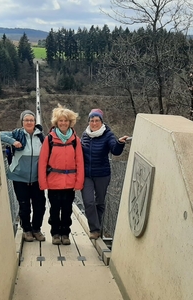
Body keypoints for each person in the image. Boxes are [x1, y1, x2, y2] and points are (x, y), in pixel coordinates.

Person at [38, 105, 84, 246]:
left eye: (66, 121)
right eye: (60, 121)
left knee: (67, 209)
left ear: (70, 122)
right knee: (54, 209)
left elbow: (80, 163)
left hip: (70, 182)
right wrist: (43, 182)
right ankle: (55, 233)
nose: (63, 123)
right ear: (56, 123)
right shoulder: (49, 140)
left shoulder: (76, 140)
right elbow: (43, 162)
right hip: (54, 182)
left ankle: (65, 233)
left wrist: (79, 182)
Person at [80, 108, 128, 240]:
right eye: (91, 120)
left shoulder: (108, 135)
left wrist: (119, 143)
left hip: (102, 174)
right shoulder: (85, 135)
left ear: (101, 122)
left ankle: (98, 227)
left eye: (97, 121)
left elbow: (115, 151)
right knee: (88, 201)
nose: (94, 123)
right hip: (87, 175)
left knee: (99, 202)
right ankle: (94, 229)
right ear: (89, 122)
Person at [0, 110, 46, 242]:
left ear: (35, 122)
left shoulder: (41, 137)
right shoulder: (17, 134)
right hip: (19, 177)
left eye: (31, 120)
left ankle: (36, 229)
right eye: (26, 120)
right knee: (24, 205)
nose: (29, 122)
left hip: (37, 178)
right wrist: (13, 142)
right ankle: (27, 230)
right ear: (22, 122)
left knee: (40, 205)